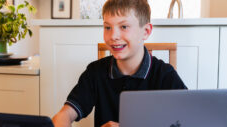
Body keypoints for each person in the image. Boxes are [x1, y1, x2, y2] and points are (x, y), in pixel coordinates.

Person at [52, 0, 187, 127]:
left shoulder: (165, 75)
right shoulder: (95, 72)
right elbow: (64, 114)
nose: (113, 36)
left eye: (123, 26)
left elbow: (188, 120)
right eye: (107, 27)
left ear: (146, 31)